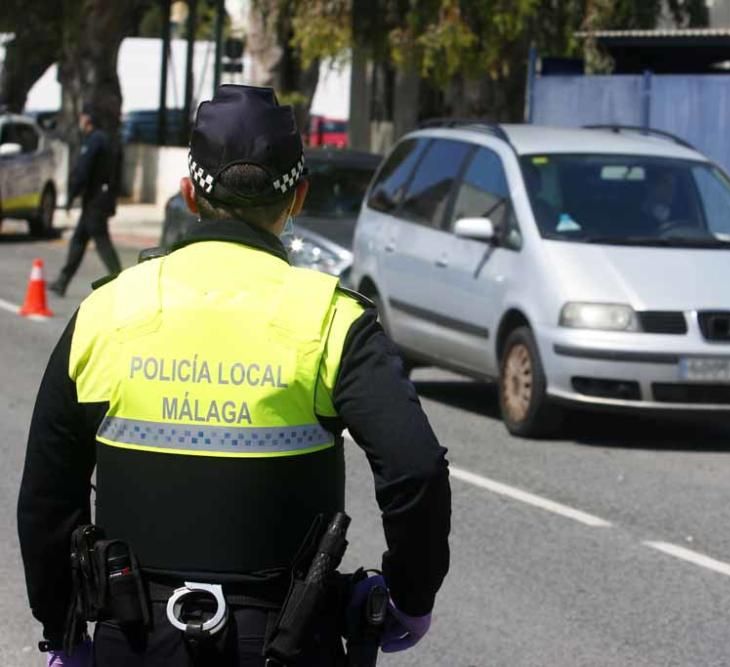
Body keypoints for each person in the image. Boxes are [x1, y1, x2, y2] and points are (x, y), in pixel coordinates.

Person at [18, 85, 451, 666]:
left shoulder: (106, 312)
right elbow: (416, 469)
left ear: (189, 193)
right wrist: (410, 599)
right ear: (298, 196)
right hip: (288, 643)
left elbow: (48, 497)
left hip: (135, 641)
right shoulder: (330, 320)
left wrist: (64, 632)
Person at [49, 104, 123, 297]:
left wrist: (71, 196)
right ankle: (62, 282)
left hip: (95, 201)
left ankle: (122, 282)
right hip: (99, 199)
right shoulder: (105, 140)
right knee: (79, 241)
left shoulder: (94, 141)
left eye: (82, 117)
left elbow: (83, 171)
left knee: (102, 243)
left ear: (87, 119)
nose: (80, 121)